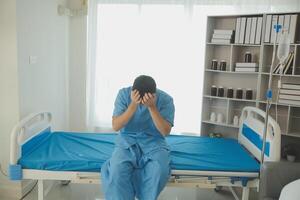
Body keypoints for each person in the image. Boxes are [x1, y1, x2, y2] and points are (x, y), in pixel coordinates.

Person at [101, 75, 175, 200]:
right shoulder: (123, 95)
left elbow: (165, 131)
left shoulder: (166, 100)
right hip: (127, 142)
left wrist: (152, 107)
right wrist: (133, 105)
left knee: (159, 171)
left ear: (153, 94)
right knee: (116, 171)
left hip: (154, 142)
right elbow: (116, 126)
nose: (142, 103)